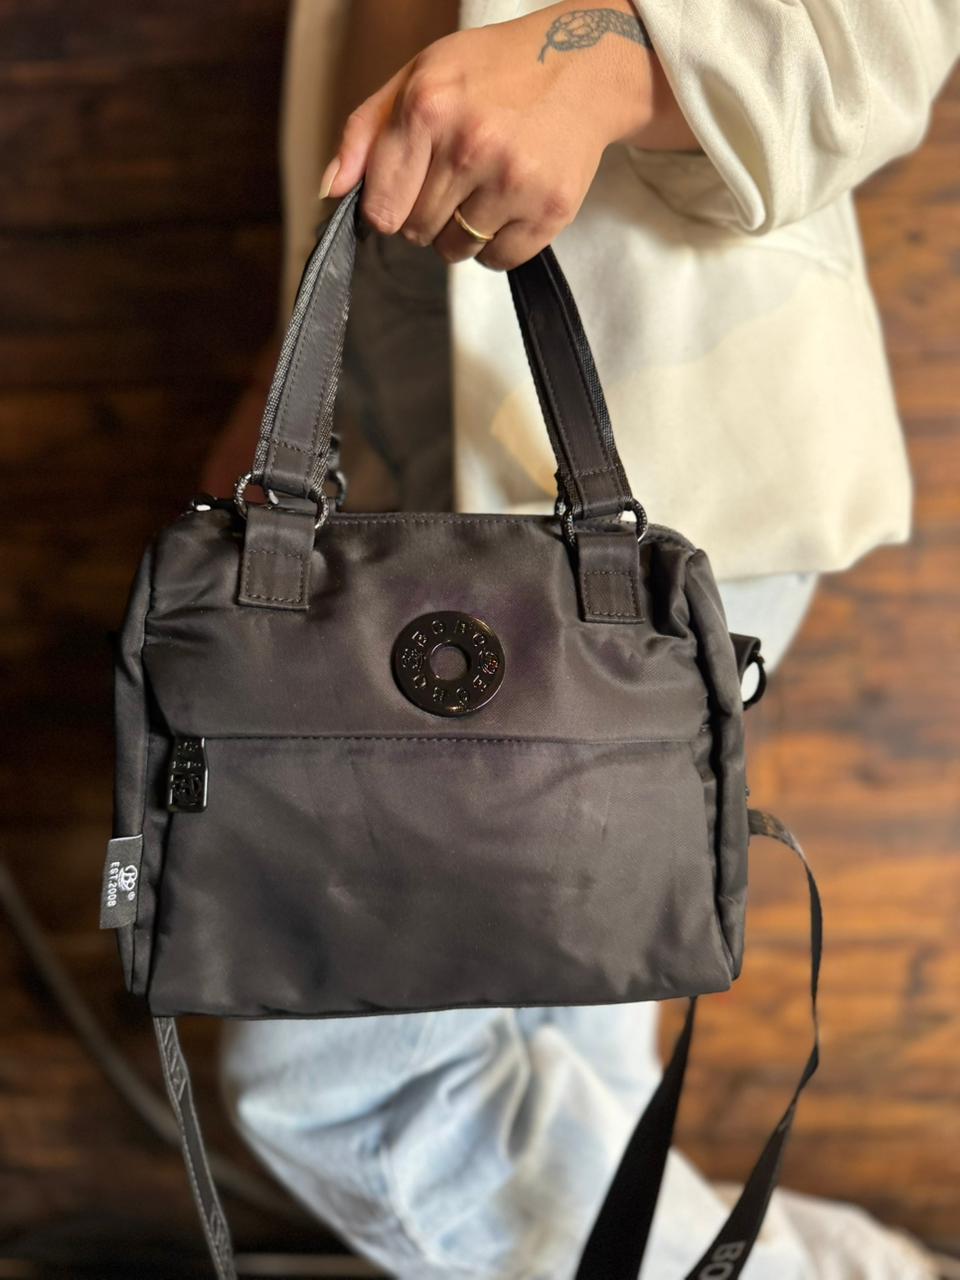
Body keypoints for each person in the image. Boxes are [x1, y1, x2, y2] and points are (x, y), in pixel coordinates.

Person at [215, 3, 960, 1276]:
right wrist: (278, 420)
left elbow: (888, 32)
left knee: (350, 1078)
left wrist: (604, 59)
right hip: (407, 510)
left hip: (647, 477)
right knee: (570, 1066)